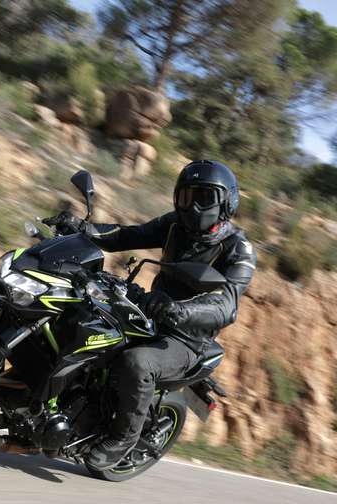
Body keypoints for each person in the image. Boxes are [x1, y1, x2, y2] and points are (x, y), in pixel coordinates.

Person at [44, 160, 257, 470]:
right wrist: (82, 228)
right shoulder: (174, 225)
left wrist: (177, 309)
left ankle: (124, 438)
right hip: (149, 314)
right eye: (186, 196)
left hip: (186, 338)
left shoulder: (238, 249)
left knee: (137, 363)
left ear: (226, 201)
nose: (193, 206)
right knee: (83, 324)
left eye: (203, 197)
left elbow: (226, 306)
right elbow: (127, 236)